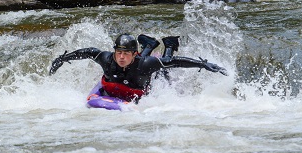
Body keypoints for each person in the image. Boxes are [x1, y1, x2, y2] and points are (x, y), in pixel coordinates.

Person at [49, 33, 226, 102]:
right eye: (119, 52)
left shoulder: (145, 63)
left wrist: (203, 64)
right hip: (118, 88)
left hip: (142, 88)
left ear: (134, 54)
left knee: (165, 66)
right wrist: (63, 59)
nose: (121, 57)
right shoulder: (106, 58)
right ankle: (149, 43)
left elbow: (176, 62)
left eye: (126, 53)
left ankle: (170, 43)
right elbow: (88, 52)